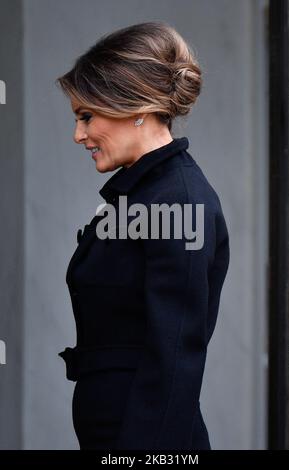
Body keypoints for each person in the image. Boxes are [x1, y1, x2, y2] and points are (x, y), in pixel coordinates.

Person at [56, 21, 230, 451]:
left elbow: (174, 355)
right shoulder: (146, 193)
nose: (78, 135)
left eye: (86, 116)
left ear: (134, 106)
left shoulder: (178, 200)